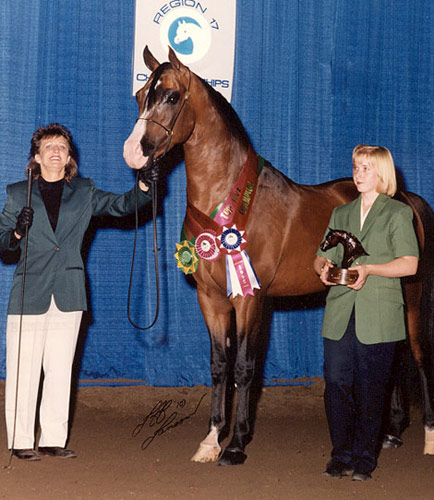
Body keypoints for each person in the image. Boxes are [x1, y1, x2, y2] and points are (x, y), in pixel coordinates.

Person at [0, 123, 157, 460]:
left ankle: (54, 438)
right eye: (49, 147)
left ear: (69, 156)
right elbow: (3, 248)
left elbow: (122, 205)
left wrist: (144, 184)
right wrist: (16, 233)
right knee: (23, 370)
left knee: (60, 368)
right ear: (37, 157)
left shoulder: (84, 190)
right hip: (29, 292)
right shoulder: (17, 193)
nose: (56, 152)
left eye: (62, 147)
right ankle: (21, 440)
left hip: (69, 291)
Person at [313, 145, 419, 481]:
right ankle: (340, 454)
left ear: (381, 174)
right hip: (340, 311)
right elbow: (320, 255)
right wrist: (322, 267)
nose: (358, 174)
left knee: (372, 388)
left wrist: (370, 270)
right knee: (336, 384)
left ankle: (364, 459)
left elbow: (409, 263)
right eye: (356, 167)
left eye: (366, 169)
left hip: (379, 314)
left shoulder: (398, 214)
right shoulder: (340, 214)